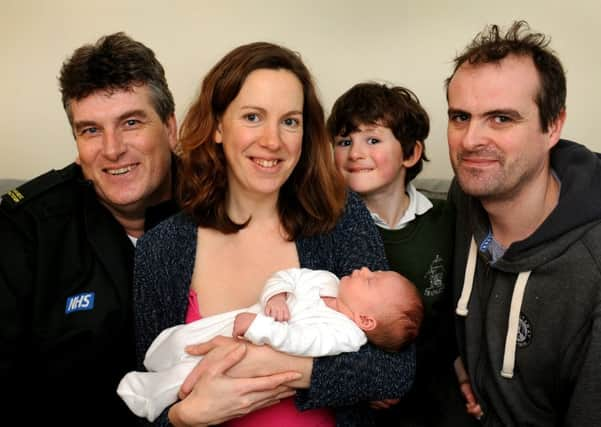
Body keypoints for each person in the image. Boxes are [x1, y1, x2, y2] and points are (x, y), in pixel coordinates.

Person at [133, 41, 417, 427]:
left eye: (290, 121)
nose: (272, 141)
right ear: (217, 126)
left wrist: (274, 364)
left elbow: (394, 370)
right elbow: (149, 395)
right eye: (252, 117)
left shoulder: (339, 218)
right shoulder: (162, 248)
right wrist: (184, 417)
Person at [0, 32, 180, 425]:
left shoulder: (221, 207)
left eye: (130, 122)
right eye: (90, 130)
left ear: (170, 127)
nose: (112, 149)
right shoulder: (27, 229)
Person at [446, 20, 601, 426]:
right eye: (461, 117)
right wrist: (459, 360)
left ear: (553, 126)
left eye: (501, 119)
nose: (470, 140)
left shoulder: (593, 264)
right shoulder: (466, 196)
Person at [328, 82, 479, 426]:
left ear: (410, 153)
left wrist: (457, 368)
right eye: (344, 141)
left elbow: (453, 312)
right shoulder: (328, 228)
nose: (355, 152)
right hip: (357, 377)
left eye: (373, 140)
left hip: (431, 370)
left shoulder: (447, 219)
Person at [119, 267, 423, 422]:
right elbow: (287, 276)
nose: (365, 270)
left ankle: (149, 394)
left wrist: (261, 330)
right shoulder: (326, 280)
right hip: (241, 320)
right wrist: (275, 296)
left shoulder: (345, 334)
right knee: (186, 340)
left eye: (372, 280)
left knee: (194, 374)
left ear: (366, 321)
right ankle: (159, 359)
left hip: (254, 345)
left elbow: (301, 343)